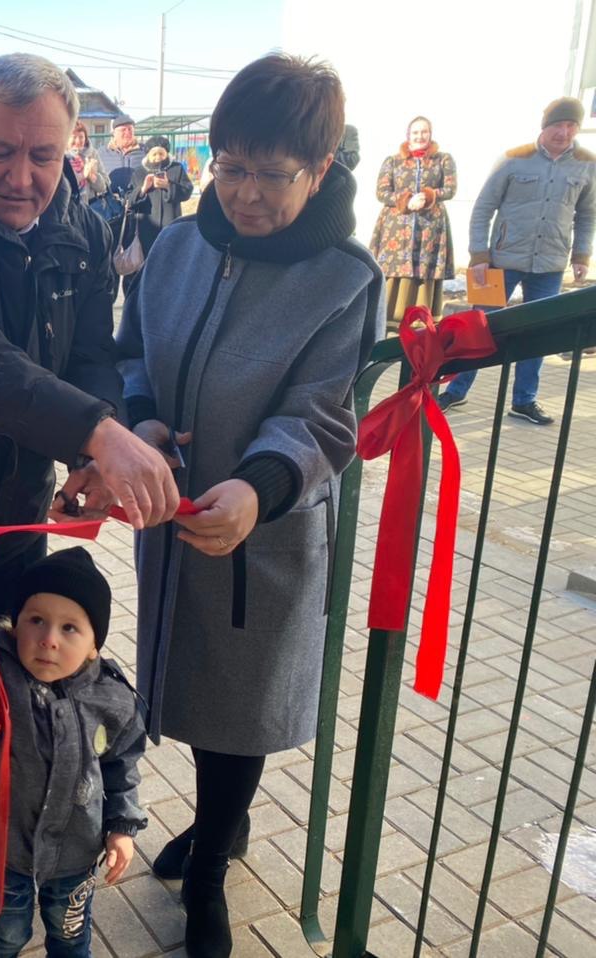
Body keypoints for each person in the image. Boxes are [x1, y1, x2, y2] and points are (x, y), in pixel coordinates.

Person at [0, 51, 177, 913]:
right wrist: (98, 431)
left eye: (44, 157)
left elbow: (94, 348)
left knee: (22, 669)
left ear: (72, 149)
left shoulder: (81, 224)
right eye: (1, 153)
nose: (23, 178)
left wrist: (94, 449)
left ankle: (13, 827)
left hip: (17, 504)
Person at [117, 54, 382, 957]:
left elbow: (323, 414)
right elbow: (133, 353)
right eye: (231, 167)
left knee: (241, 704)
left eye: (273, 174)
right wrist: (141, 419)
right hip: (176, 521)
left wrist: (261, 487)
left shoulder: (344, 278)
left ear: (320, 169)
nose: (246, 194)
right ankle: (216, 828)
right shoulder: (180, 249)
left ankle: (211, 872)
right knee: (187, 687)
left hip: (263, 529)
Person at [0, 547, 146, 957]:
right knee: (4, 936)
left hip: (76, 849)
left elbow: (121, 767)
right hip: (1, 846)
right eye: (36, 620)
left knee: (71, 937)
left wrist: (122, 827)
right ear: (15, 625)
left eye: (70, 628)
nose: (49, 640)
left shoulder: (109, 700)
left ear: (95, 646)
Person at [438, 96, 596, 424]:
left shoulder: (586, 164)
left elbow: (587, 214)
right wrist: (479, 255)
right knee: (479, 328)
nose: (563, 132)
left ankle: (524, 400)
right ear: (545, 126)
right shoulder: (514, 159)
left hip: (549, 266)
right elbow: (484, 207)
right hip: (500, 262)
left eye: (571, 125)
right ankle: (456, 390)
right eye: (557, 125)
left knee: (537, 335)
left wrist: (581, 254)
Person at [369, 116, 457, 334]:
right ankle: (387, 322)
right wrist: (406, 200)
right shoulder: (393, 161)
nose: (420, 136)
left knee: (422, 273)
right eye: (416, 132)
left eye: (424, 132)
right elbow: (382, 192)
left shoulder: (443, 160)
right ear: (408, 135)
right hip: (397, 228)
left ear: (430, 134)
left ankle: (420, 324)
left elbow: (450, 189)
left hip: (429, 228)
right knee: (394, 272)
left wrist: (428, 196)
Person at [114, 135, 194, 292]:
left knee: (169, 266)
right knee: (144, 269)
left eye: (161, 154)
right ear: (148, 154)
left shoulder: (176, 169)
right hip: (145, 229)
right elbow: (129, 199)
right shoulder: (139, 172)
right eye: (154, 154)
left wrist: (168, 186)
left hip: (170, 225)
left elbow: (187, 191)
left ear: (167, 154)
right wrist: (143, 189)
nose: (158, 157)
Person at [97, 115, 146, 198]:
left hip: (140, 200)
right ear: (114, 133)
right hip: (111, 204)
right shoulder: (102, 153)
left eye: (130, 129)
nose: (127, 132)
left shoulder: (144, 151)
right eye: (123, 130)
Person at [67, 121, 110, 206]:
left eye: (81, 137)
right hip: (67, 207)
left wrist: (93, 177)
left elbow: (104, 186)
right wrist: (82, 175)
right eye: (74, 137)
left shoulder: (92, 154)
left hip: (90, 207)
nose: (78, 141)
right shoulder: (61, 156)